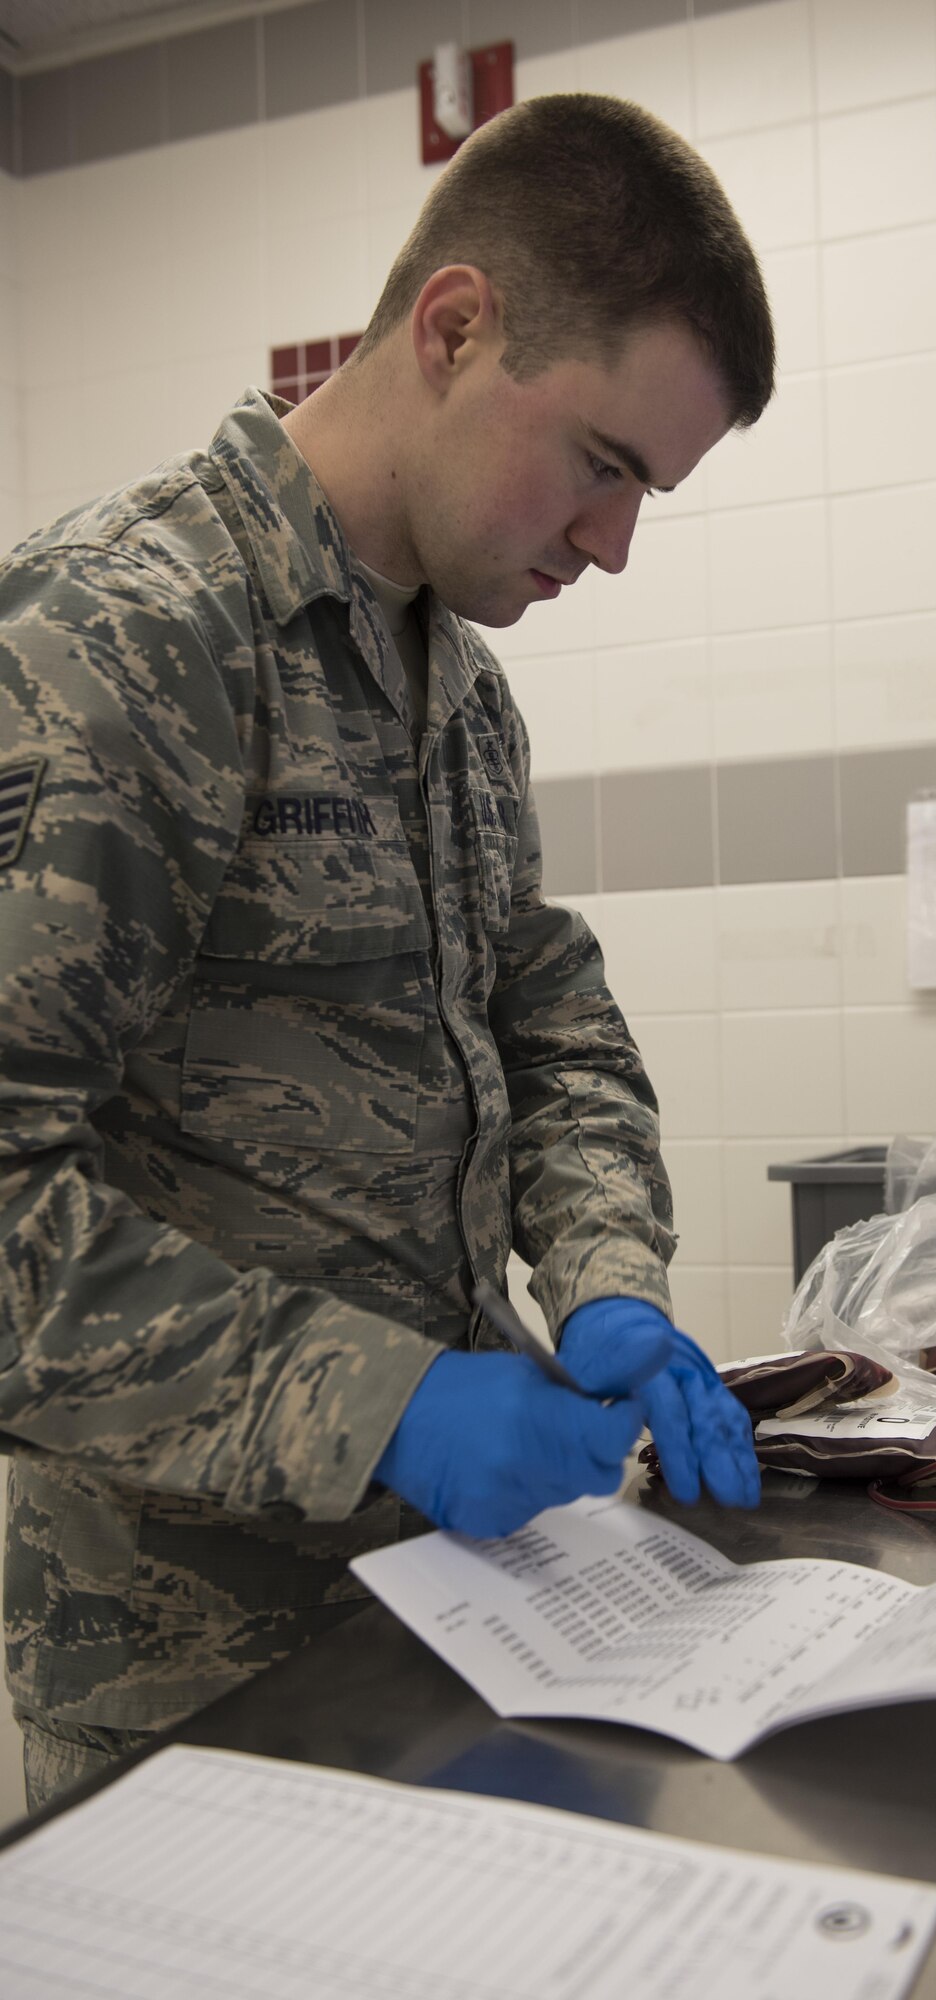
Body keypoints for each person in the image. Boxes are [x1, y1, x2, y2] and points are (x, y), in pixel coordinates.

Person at [0, 92, 775, 1812]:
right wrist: (383, 1404)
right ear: (454, 328)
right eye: (604, 463)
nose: (613, 544)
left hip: (471, 1615)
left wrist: (608, 1279)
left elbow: (552, 1025)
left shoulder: (453, 691)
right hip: (191, 1699)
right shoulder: (119, 650)